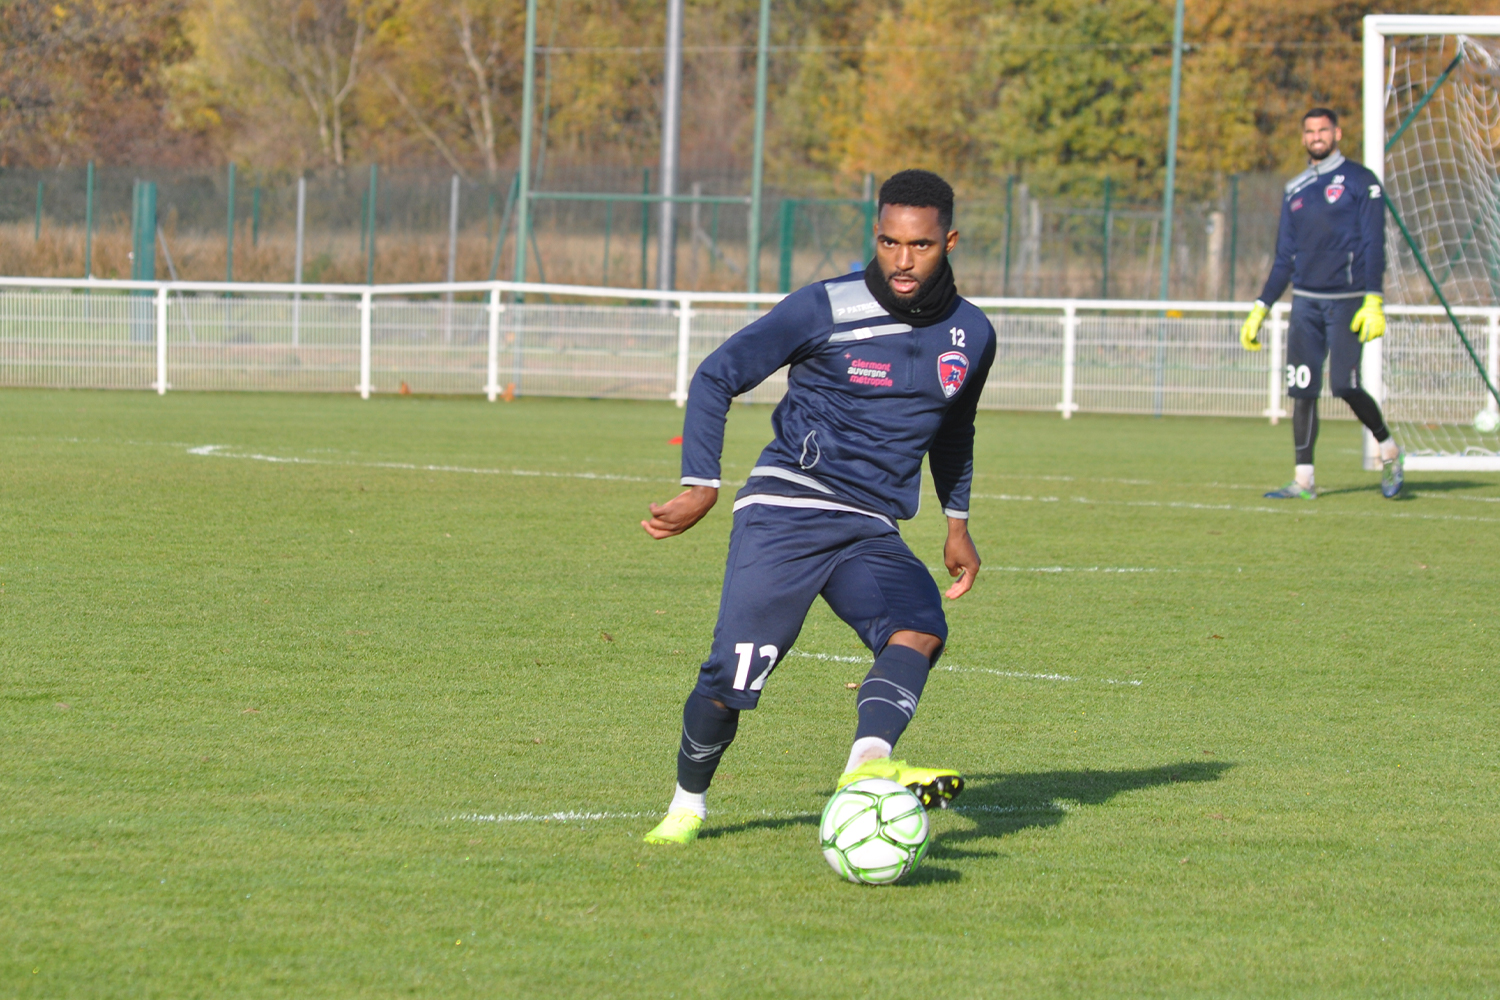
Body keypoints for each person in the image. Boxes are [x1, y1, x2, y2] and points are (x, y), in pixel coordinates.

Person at [638, 169, 997, 845]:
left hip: (867, 526)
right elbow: (719, 373)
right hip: (787, 509)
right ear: (876, 235)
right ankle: (688, 802)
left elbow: (954, 429)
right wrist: (701, 485)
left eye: (919, 245)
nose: (901, 260)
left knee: (918, 626)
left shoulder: (971, 334)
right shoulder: (825, 307)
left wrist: (958, 523)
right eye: (889, 242)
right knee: (732, 676)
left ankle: (867, 766)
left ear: (947, 241)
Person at [1240, 107, 1404, 499]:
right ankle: (1304, 480)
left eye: (1323, 130)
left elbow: (1372, 244)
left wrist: (1373, 300)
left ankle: (1389, 449)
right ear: (1303, 138)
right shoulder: (1295, 188)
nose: (1316, 136)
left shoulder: (1362, 182)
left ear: (1337, 133)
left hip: (1348, 300)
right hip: (1306, 304)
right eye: (1310, 131)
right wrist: (1261, 307)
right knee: (1302, 390)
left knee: (1344, 386)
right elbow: (1284, 257)